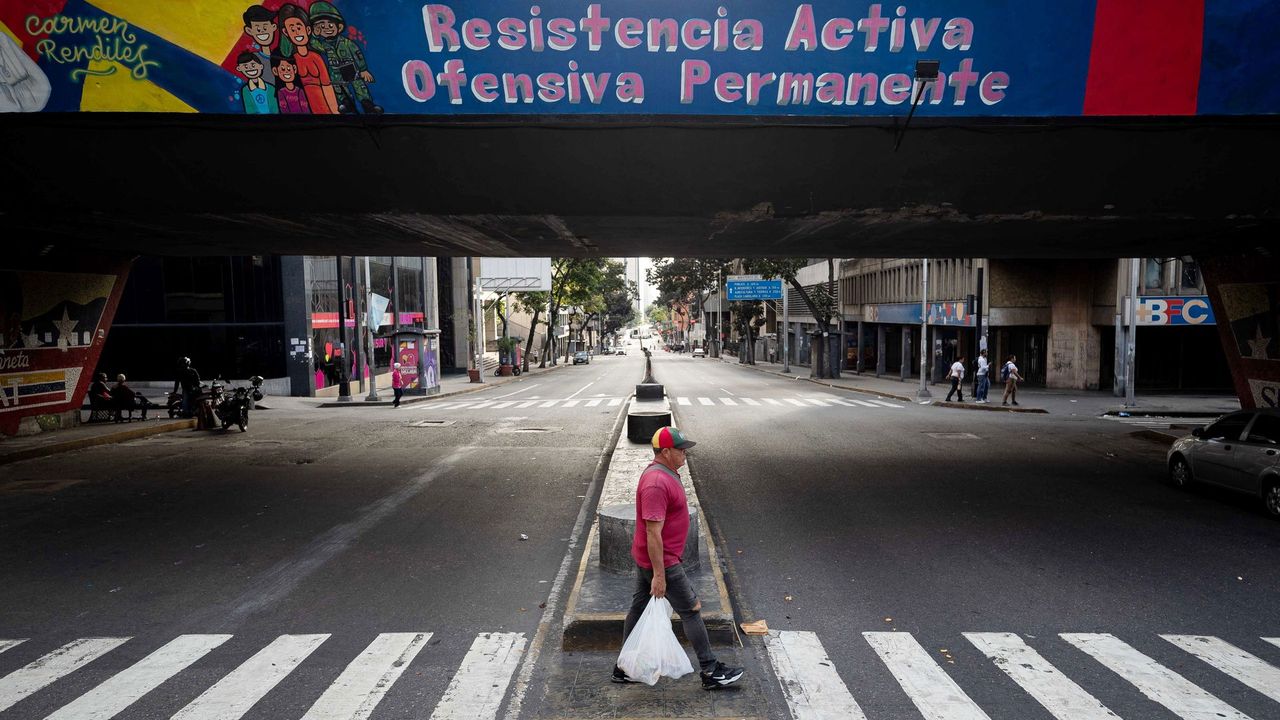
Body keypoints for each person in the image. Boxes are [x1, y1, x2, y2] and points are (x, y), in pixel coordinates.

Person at [614, 427, 744, 690]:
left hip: (651, 559)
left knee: (638, 609)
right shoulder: (656, 483)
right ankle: (710, 670)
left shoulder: (666, 473)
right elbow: (653, 532)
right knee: (691, 609)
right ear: (665, 451)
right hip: (662, 561)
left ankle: (622, 669)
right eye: (680, 449)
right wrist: (660, 575)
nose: (685, 452)